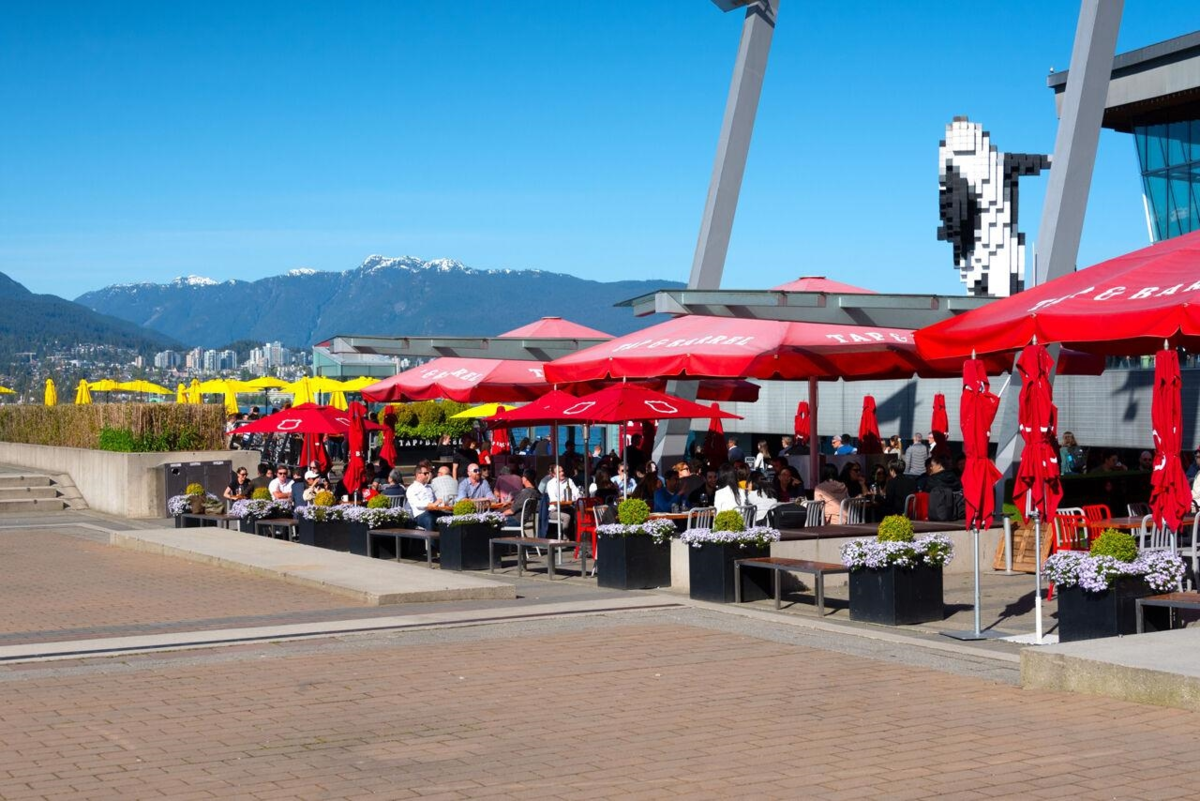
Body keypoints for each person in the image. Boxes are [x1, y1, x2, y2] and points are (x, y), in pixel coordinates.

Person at [926, 454, 964, 522]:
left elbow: (926, 492)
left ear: (939, 465)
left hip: (936, 512)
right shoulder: (955, 477)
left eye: (932, 465)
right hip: (954, 512)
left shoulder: (932, 480)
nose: (931, 468)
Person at [545, 464, 577, 537]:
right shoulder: (551, 484)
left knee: (579, 514)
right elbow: (553, 499)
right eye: (559, 472)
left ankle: (576, 537)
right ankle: (565, 540)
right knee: (567, 517)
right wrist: (563, 500)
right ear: (553, 474)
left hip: (567, 508)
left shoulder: (569, 481)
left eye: (562, 471)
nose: (562, 473)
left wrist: (570, 498)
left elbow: (577, 494)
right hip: (554, 510)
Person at [405, 462, 439, 529]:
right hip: (420, 514)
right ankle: (430, 539)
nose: (428, 476)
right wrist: (430, 505)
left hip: (433, 512)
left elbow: (435, 502)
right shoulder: (411, 488)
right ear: (418, 475)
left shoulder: (429, 488)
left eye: (428, 473)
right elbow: (417, 504)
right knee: (429, 519)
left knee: (449, 517)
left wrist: (441, 503)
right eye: (425, 473)